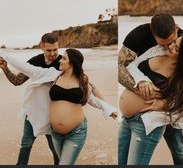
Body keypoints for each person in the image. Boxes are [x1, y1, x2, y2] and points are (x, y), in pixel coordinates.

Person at [0, 48, 117, 165]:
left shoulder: (82, 80)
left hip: (76, 131)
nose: (60, 60)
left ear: (72, 63)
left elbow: (91, 98)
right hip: (55, 133)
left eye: (64, 58)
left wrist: (107, 108)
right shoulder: (53, 75)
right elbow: (27, 68)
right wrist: (5, 56)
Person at [118, 33, 183, 165]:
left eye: (176, 48)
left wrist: (165, 105)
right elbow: (131, 66)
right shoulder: (156, 50)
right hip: (126, 119)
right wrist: (142, 80)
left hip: (146, 125)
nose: (170, 46)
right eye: (174, 42)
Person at [0, 33, 61, 165]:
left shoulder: (63, 62)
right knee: (26, 144)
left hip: (53, 113)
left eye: (55, 49)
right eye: (49, 50)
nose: (52, 53)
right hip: (33, 110)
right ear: (42, 47)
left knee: (55, 148)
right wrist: (5, 68)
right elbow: (17, 81)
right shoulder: (35, 61)